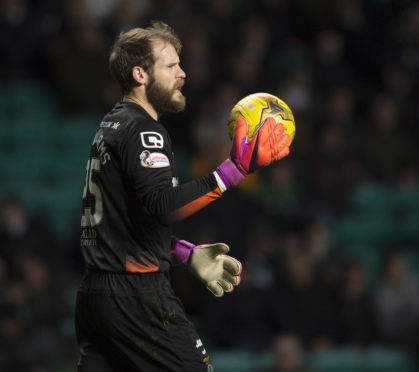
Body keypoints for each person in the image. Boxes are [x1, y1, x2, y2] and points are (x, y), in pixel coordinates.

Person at [74, 21, 290, 372]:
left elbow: (127, 220)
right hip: (138, 296)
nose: (183, 73)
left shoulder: (110, 125)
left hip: (96, 296)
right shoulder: (145, 130)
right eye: (171, 66)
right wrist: (233, 170)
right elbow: (162, 205)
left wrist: (183, 252)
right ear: (141, 74)